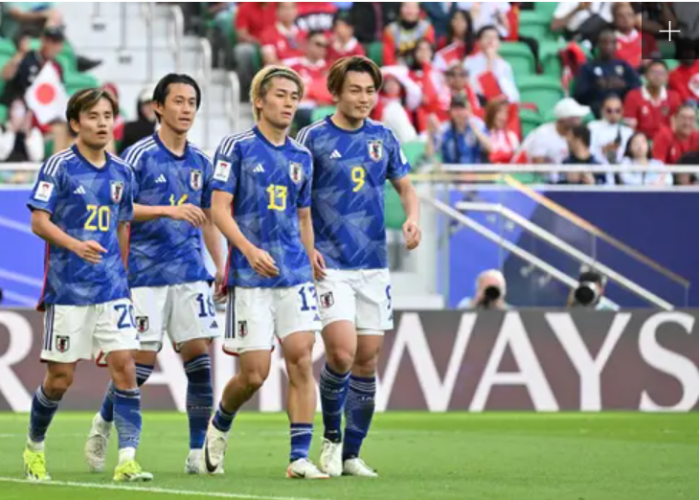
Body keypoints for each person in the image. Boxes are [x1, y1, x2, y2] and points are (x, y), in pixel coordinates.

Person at [85, 74, 224, 476]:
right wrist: (166, 210)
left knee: (199, 363)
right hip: (145, 275)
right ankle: (103, 422)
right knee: (139, 367)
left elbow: (210, 219)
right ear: (158, 108)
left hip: (190, 274)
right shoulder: (138, 156)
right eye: (178, 101)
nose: (186, 109)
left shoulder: (201, 161)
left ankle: (198, 452)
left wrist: (220, 266)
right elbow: (119, 211)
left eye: (192, 102)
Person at [297, 55, 421, 478]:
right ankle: (330, 441)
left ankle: (352, 454)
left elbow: (406, 187)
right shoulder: (312, 137)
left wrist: (412, 218)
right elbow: (300, 202)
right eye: (355, 90)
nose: (364, 98)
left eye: (370, 90)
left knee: (367, 360)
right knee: (342, 352)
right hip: (330, 263)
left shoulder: (384, 137)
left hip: (373, 264)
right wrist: (306, 247)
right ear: (336, 91)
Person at [204, 66, 328, 479]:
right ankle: (220, 423)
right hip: (251, 276)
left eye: (294, 96)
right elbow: (218, 209)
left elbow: (305, 216)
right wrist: (247, 250)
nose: (289, 102)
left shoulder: (301, 156)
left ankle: (298, 458)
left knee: (301, 360)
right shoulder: (236, 147)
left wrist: (310, 258)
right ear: (259, 100)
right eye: (280, 95)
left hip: (294, 275)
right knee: (254, 375)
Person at [24, 88, 152, 482]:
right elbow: (38, 221)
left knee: (125, 367)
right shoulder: (58, 166)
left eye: (107, 115)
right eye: (92, 116)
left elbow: (123, 225)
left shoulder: (122, 172)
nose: (101, 123)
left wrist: (124, 275)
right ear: (76, 122)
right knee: (60, 379)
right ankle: (34, 448)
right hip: (69, 290)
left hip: (112, 287)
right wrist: (76, 245)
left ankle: (127, 460)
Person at [512, 98, 591, 183]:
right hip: (527, 181)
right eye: (577, 118)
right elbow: (539, 167)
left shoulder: (575, 138)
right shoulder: (543, 134)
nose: (580, 121)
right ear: (565, 120)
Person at [573, 28, 641, 117]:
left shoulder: (624, 66)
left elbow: (637, 88)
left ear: (616, 45)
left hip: (622, 109)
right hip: (597, 109)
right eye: (604, 42)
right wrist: (597, 86)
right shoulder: (588, 67)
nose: (608, 46)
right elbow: (580, 94)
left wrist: (622, 86)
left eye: (612, 43)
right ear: (598, 44)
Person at [623, 60, 681, 140]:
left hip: (666, 141)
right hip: (641, 141)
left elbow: (676, 127)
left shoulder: (674, 97)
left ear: (667, 77)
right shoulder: (633, 96)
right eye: (654, 72)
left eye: (661, 73)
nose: (657, 76)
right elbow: (629, 129)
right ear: (645, 75)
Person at [464, 25, 519, 104]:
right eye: (486, 37)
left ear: (499, 43)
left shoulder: (505, 65)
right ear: (478, 42)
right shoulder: (469, 61)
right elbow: (476, 87)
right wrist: (489, 60)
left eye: (494, 37)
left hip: (499, 105)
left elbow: (512, 93)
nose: (490, 40)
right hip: (477, 102)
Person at [431, 93, 491, 165]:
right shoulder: (444, 129)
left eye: (462, 108)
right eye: (455, 109)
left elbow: (490, 148)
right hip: (451, 174)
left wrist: (475, 130)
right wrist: (430, 133)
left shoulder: (478, 125)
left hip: (475, 173)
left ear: (469, 110)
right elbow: (430, 154)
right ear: (450, 112)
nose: (459, 113)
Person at [233, 2, 277, 96]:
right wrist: (260, 42)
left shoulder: (279, 5)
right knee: (243, 51)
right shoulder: (245, 7)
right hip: (255, 44)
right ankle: (247, 89)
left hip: (276, 43)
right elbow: (242, 35)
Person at [382, 2, 435, 66]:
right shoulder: (390, 30)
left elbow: (429, 56)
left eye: (413, 7)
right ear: (400, 9)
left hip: (420, 68)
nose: (409, 11)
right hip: (398, 69)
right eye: (406, 6)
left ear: (419, 10)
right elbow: (388, 59)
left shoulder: (426, 28)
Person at [589, 94, 633, 166]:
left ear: (622, 111)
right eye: (609, 110)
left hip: (621, 171)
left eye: (617, 110)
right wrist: (603, 150)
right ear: (602, 110)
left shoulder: (628, 132)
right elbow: (587, 151)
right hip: (598, 169)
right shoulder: (593, 127)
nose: (613, 114)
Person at [652, 104, 699, 168]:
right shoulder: (664, 135)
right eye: (683, 118)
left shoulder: (697, 137)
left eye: (691, 119)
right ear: (674, 119)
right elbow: (658, 166)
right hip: (668, 176)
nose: (687, 123)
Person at [612, 2, 657, 69]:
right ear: (614, 19)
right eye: (621, 16)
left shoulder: (648, 38)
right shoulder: (609, 41)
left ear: (634, 17)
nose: (625, 18)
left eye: (629, 15)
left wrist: (650, 62)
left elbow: (657, 61)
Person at [0, 97, 44, 162]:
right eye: (13, 109)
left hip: (27, 170)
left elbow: (37, 158)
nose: (15, 113)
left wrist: (28, 135)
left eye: (19, 110)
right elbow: (1, 156)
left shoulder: (34, 132)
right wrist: (11, 132)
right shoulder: (3, 130)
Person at [118, 85, 158, 155]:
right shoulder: (130, 129)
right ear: (140, 106)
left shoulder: (164, 129)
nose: (151, 107)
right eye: (147, 104)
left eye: (154, 104)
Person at [485, 98, 519, 164]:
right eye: (499, 112)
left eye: (505, 113)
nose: (503, 117)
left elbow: (517, 160)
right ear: (492, 113)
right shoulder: (485, 135)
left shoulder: (511, 137)